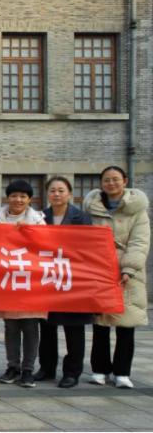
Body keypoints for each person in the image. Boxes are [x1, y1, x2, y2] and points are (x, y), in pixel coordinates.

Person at [83, 165, 150, 389]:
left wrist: (129, 268)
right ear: (101, 183)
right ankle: (100, 369)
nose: (111, 183)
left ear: (125, 181)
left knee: (126, 324)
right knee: (100, 323)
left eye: (115, 179)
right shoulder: (92, 208)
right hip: (99, 269)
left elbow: (140, 241)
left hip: (127, 272)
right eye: (106, 180)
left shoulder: (137, 210)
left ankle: (122, 372)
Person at [38, 176, 93, 388]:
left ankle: (72, 372)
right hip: (47, 279)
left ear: (69, 193)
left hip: (72, 279)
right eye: (52, 190)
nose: (57, 194)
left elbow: (87, 248)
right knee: (47, 328)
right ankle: (47, 368)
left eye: (61, 190)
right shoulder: (40, 217)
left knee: (74, 329)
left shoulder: (81, 218)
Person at [0, 179, 47, 389]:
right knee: (11, 326)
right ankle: (12, 366)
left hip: (31, 281)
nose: (18, 200)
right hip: (7, 280)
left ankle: (28, 369)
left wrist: (31, 232)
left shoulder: (38, 221)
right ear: (7, 198)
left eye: (23, 196)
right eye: (14, 195)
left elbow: (46, 246)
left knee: (31, 326)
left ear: (29, 199)